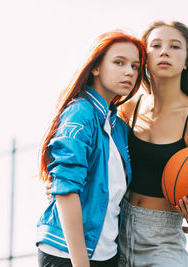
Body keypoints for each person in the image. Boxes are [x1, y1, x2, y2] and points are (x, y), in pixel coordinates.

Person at [117, 21, 188, 267]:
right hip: (115, 232)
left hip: (162, 241)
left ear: (187, 61)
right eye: (155, 45)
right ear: (144, 57)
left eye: (175, 46)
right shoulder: (127, 109)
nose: (164, 51)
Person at [36, 30, 146, 267]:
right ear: (95, 67)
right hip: (68, 254)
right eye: (119, 62)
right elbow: (65, 190)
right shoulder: (80, 113)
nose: (129, 71)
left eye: (135, 66)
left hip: (107, 255)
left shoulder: (119, 127)